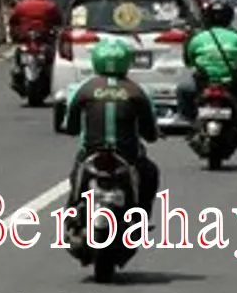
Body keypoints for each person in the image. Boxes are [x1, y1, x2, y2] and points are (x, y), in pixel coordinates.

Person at [54, 39, 161, 219]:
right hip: (127, 155)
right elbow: (150, 134)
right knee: (150, 174)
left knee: (76, 177)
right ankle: (141, 218)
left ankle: (71, 213)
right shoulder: (137, 91)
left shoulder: (84, 89)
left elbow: (70, 127)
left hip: (91, 153)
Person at [177, 0, 237, 127]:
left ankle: (189, 122)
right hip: (232, 84)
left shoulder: (196, 38)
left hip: (203, 83)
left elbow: (189, 61)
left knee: (183, 90)